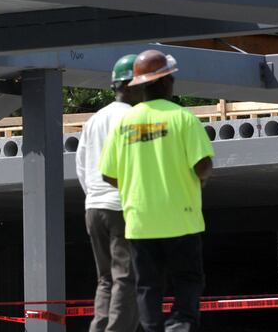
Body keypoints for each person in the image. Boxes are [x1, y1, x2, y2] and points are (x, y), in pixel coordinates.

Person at [99, 50, 214, 332]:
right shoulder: (183, 118)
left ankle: (153, 329)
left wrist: (135, 186)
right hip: (181, 217)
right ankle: (181, 323)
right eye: (171, 78)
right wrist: (197, 181)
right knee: (187, 277)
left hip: (141, 220)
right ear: (163, 83)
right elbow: (202, 165)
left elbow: (107, 173)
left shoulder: (124, 123)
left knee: (147, 285)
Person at [76, 54, 142, 332]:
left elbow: (80, 164)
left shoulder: (95, 120)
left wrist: (93, 195)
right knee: (126, 277)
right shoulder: (135, 118)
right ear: (131, 85)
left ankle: (100, 327)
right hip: (121, 206)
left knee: (106, 279)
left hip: (95, 206)